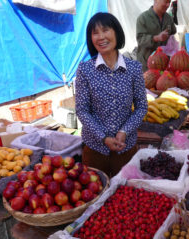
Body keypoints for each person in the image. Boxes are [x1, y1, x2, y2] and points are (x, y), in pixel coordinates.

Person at [75, 12, 148, 177]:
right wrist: (103, 137)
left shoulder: (134, 68)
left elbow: (141, 107)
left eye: (106, 30)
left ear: (116, 32)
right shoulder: (85, 69)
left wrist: (124, 132)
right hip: (95, 150)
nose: (101, 37)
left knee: (125, 196)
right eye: (95, 33)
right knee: (95, 195)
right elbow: (82, 109)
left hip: (126, 149)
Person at [136, 0, 176, 72]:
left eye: (169, 2)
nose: (168, 5)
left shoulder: (168, 18)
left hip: (164, 63)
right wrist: (156, 38)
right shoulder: (143, 18)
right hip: (147, 64)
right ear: (156, 1)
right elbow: (140, 39)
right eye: (166, 2)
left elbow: (173, 32)